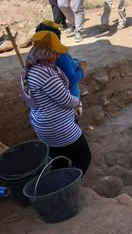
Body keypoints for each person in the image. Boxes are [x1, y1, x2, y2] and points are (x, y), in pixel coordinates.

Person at [21, 31, 91, 175]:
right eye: (55, 52)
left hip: (43, 125)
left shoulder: (29, 69)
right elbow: (66, 100)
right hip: (58, 127)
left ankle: (59, 184)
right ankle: (69, 185)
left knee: (59, 161)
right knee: (83, 157)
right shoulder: (46, 74)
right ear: (46, 53)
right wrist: (78, 102)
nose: (58, 56)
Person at [35, 20, 86, 98]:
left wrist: (75, 62)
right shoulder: (60, 55)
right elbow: (71, 80)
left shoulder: (36, 53)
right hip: (69, 98)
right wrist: (81, 70)